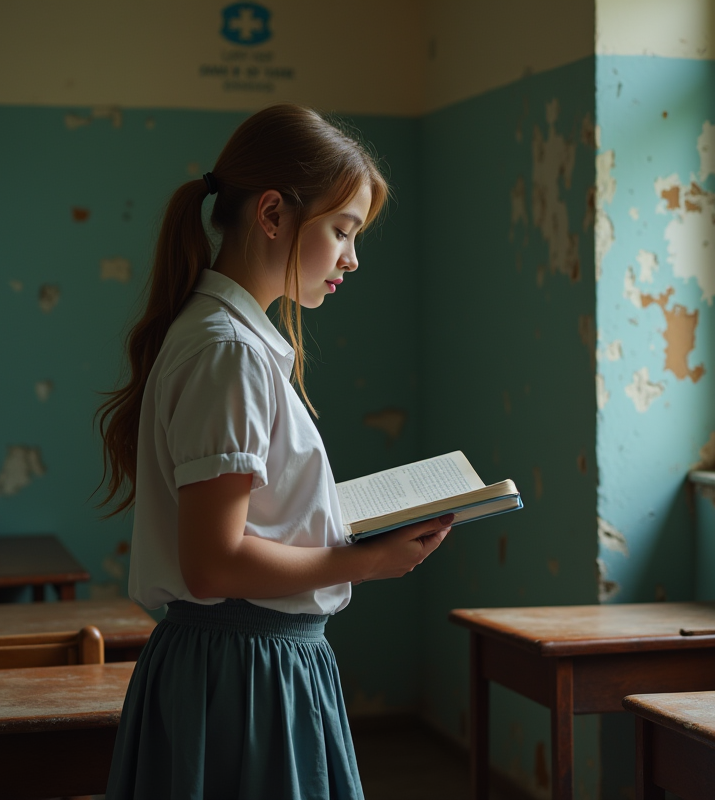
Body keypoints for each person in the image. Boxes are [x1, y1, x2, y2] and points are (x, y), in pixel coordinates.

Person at [95, 104, 452, 800]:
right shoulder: (228, 352)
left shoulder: (230, 338)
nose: (352, 256)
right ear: (271, 215)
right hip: (240, 670)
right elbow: (213, 561)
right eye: (342, 230)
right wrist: (369, 561)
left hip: (251, 662)